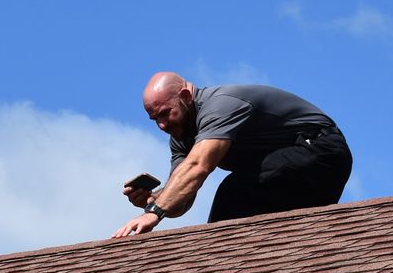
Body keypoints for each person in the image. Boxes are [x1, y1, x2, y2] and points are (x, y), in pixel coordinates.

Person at [112, 72, 352, 237]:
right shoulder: (180, 138)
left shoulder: (220, 106)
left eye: (166, 114)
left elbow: (198, 167)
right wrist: (154, 200)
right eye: (155, 119)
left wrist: (153, 214)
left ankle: (217, 265)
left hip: (323, 151)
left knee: (234, 192)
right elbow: (183, 197)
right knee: (260, 223)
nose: (162, 126)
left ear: (186, 98)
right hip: (285, 166)